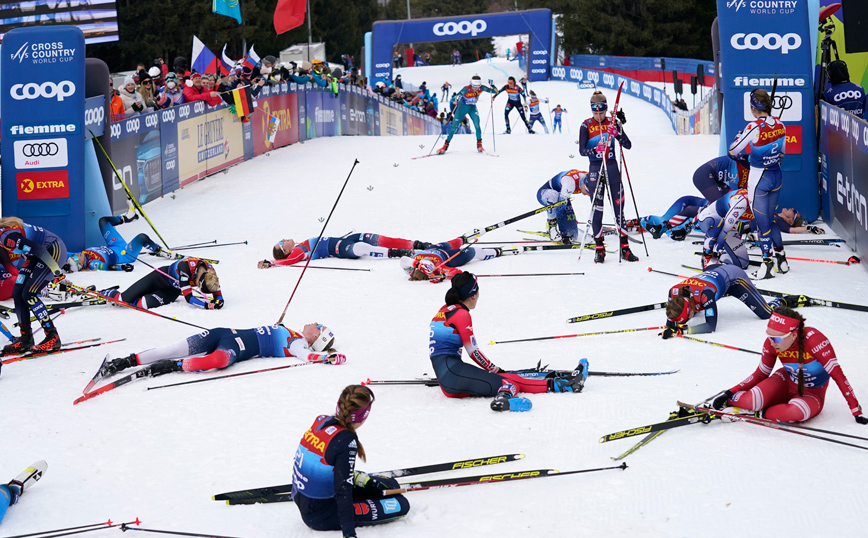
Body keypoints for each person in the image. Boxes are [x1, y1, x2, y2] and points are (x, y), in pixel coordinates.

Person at [429, 272, 588, 412]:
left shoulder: (445, 309)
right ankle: (564, 385)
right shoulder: (461, 314)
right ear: (473, 295)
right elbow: (473, 352)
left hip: (449, 376)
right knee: (508, 380)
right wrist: (495, 369)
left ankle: (509, 394)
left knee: (504, 380)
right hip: (453, 373)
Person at [706, 307, 867, 424]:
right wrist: (728, 394)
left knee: (796, 412)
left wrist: (856, 410)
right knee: (752, 400)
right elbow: (760, 374)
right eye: (769, 336)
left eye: (777, 339)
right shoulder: (772, 343)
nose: (771, 342)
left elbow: (839, 376)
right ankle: (739, 403)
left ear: (793, 335)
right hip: (784, 382)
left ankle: (759, 412)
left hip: (812, 394)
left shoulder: (816, 341)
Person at [291, 385, 410, 536]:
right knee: (401, 505)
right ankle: (358, 481)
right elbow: (343, 490)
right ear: (364, 415)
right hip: (320, 514)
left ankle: (359, 479)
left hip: (304, 497)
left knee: (391, 485)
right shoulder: (346, 440)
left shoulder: (322, 421)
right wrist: (349, 533)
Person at [98, 323, 343, 379]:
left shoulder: (298, 343)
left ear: (315, 338)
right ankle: (123, 362)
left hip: (237, 347)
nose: (315, 322)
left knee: (219, 360)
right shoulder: (292, 331)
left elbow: (308, 357)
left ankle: (171, 366)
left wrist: (326, 358)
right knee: (175, 347)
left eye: (319, 327)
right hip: (223, 332)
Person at [729, 88, 786, 279]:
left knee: (762, 225)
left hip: (759, 180)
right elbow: (783, 153)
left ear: (754, 108)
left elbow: (733, 151)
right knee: (769, 220)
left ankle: (767, 264)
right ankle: (781, 259)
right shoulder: (780, 124)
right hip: (776, 176)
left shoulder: (753, 127)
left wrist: (739, 138)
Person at [662, 263, 805, 338]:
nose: (686, 322)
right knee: (701, 307)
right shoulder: (673, 292)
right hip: (715, 272)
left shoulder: (705, 295)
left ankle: (786, 301)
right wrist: (670, 327)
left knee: (766, 313)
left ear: (689, 309)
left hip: (735, 278)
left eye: (686, 319)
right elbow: (671, 321)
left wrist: (682, 331)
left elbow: (710, 326)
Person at [578, 91, 636, 263]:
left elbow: (628, 145)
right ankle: (599, 248)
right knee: (598, 209)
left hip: (611, 167)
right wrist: (595, 150)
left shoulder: (613, 122)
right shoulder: (586, 125)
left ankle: (625, 248)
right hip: (596, 168)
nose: (599, 116)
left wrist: (618, 133)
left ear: (606, 109)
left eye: (601, 113)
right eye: (595, 113)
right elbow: (581, 151)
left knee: (619, 208)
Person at [0, 217, 67, 354]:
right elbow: (12, 265)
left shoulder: (6, 237)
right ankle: (26, 338)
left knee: (29, 294)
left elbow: (38, 249)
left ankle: (52, 336)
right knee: (18, 292)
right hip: (36, 254)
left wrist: (56, 271)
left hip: (52, 250)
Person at [102, 257, 223, 310]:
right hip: (158, 278)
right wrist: (208, 306)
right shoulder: (185, 268)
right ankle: (104, 293)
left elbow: (217, 292)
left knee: (143, 304)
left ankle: (133, 299)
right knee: (123, 299)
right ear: (199, 281)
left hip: (171, 291)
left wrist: (219, 300)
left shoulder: (210, 272)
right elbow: (189, 298)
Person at [259, 233, 428, 268]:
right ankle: (397, 252)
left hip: (344, 239)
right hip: (339, 248)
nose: (283, 239)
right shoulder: (297, 252)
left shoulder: (298, 246)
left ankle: (415, 244)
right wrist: (272, 263)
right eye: (281, 243)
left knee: (374, 237)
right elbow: (289, 261)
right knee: (362, 248)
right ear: (286, 251)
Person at [64, 216, 166, 273]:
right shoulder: (92, 264)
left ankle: (126, 217)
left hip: (114, 245)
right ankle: (160, 251)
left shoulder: (81, 254)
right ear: (80, 265)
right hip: (125, 254)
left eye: (74, 256)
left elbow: (63, 253)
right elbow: (107, 267)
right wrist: (122, 267)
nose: (76, 255)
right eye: (75, 258)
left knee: (103, 221)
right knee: (142, 238)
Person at [401, 238, 518, 282]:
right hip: (450, 256)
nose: (428, 259)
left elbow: (403, 260)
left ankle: (462, 239)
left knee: (448, 243)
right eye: (430, 263)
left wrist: (417, 263)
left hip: (434, 248)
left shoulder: (412, 267)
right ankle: (499, 251)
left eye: (424, 262)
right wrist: (441, 276)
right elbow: (456, 272)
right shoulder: (439, 267)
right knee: (474, 251)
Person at [437, 76, 498, 155]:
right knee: (454, 127)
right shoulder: (466, 89)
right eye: (474, 86)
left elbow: (495, 92)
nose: (476, 88)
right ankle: (445, 146)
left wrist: (492, 85)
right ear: (471, 84)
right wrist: (456, 98)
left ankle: (479, 145)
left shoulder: (481, 88)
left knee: (477, 125)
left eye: (478, 87)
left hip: (472, 108)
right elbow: (455, 97)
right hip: (461, 108)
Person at [537, 169, 589, 243]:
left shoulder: (589, 179)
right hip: (545, 194)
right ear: (584, 183)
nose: (588, 194)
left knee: (573, 235)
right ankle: (551, 227)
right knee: (554, 196)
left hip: (561, 195)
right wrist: (564, 232)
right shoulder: (570, 182)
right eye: (587, 191)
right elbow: (560, 207)